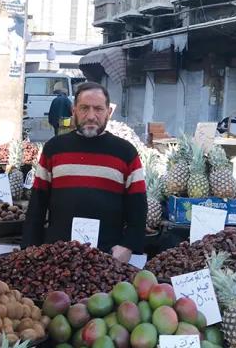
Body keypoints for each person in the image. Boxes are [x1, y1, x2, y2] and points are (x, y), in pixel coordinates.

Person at [23, 82, 147, 263]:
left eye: (98, 109)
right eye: (84, 108)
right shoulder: (54, 148)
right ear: (73, 111)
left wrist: (128, 245)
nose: (91, 116)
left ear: (108, 113)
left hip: (108, 257)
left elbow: (138, 207)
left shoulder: (126, 152)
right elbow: (37, 203)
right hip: (57, 255)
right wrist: (29, 246)